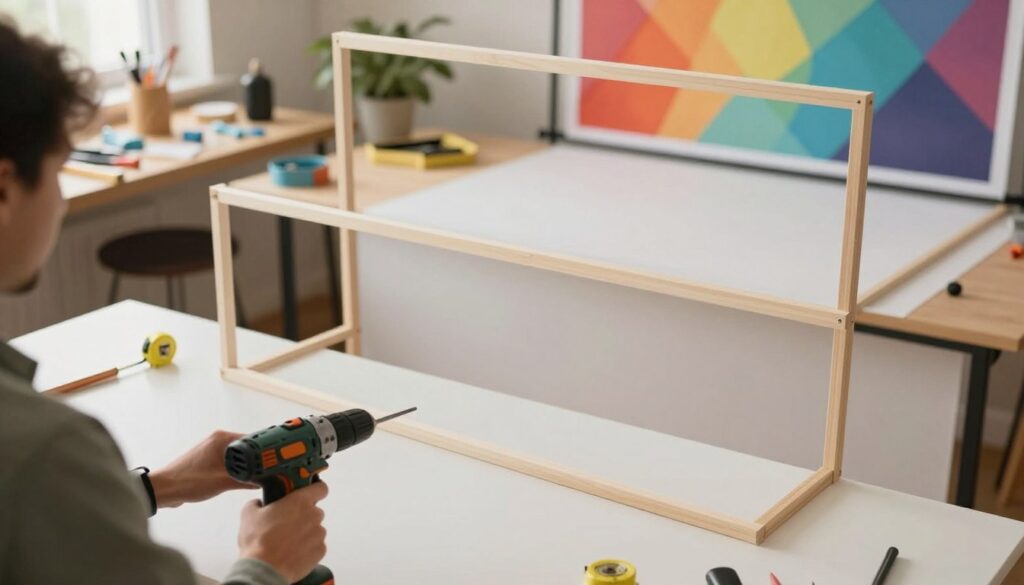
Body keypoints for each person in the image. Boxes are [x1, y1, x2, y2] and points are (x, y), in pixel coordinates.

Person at [0, 19, 329, 585]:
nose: (61, 201)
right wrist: (267, 562)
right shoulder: (46, 450)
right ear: (4, 190)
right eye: (58, 172)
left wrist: (160, 486)